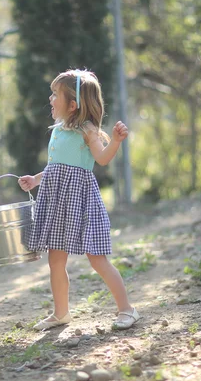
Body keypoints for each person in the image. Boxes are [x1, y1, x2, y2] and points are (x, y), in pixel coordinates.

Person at [18, 69, 139, 331]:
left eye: (55, 95)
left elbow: (102, 159)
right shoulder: (58, 129)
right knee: (55, 259)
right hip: (56, 199)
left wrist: (116, 141)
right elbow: (56, 167)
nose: (50, 99)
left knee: (97, 258)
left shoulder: (87, 129)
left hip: (80, 199)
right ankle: (61, 313)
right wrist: (36, 179)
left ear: (72, 105)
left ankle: (127, 309)